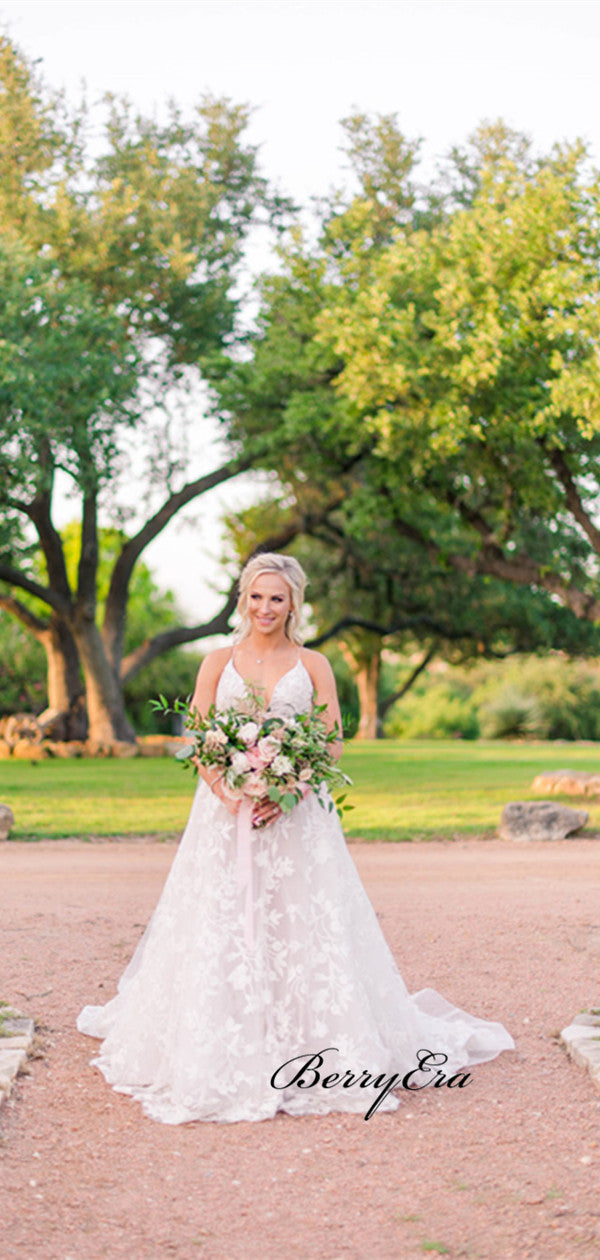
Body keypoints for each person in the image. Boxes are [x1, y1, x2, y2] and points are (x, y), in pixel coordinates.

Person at [77, 552, 514, 1124]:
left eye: (277, 598)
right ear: (243, 600)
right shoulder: (216, 661)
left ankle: (311, 1042)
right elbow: (202, 737)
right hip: (224, 816)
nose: (265, 608)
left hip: (297, 817)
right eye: (256, 597)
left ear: (294, 604)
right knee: (224, 917)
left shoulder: (314, 664)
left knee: (300, 919)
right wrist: (231, 793)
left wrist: (288, 789)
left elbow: (331, 741)